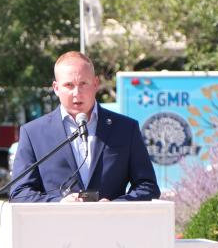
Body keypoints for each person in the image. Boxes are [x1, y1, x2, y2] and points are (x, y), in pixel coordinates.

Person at [10, 51, 160, 203]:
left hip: (111, 224)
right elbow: (20, 192)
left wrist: (116, 205)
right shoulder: (33, 133)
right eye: (69, 85)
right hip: (57, 224)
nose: (77, 93)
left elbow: (148, 187)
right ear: (56, 88)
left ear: (95, 84)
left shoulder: (126, 129)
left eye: (83, 84)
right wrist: (58, 203)